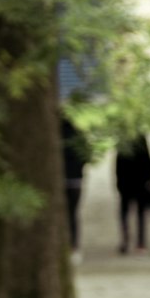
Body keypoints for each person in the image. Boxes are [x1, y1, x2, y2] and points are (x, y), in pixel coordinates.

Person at [114, 134, 150, 254]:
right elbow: (148, 163)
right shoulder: (139, 139)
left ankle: (127, 241)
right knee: (139, 214)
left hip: (130, 185)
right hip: (138, 184)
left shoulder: (125, 140)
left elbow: (118, 165)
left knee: (126, 214)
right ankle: (139, 243)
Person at [61, 111, 90, 260]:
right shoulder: (78, 136)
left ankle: (66, 246)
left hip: (61, 181)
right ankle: (73, 246)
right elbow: (87, 156)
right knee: (72, 214)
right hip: (75, 181)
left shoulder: (54, 136)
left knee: (61, 215)